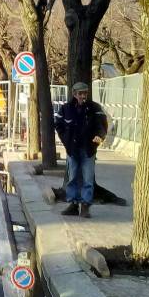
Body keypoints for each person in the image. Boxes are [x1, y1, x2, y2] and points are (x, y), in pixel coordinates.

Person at [54, 81, 108, 218]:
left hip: (88, 150)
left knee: (88, 179)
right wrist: (66, 140)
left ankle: (85, 205)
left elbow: (102, 125)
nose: (83, 96)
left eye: (85, 93)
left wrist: (99, 136)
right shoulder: (66, 108)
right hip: (72, 150)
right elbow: (58, 124)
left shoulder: (94, 108)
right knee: (72, 178)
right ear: (74, 94)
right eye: (80, 93)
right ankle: (73, 204)